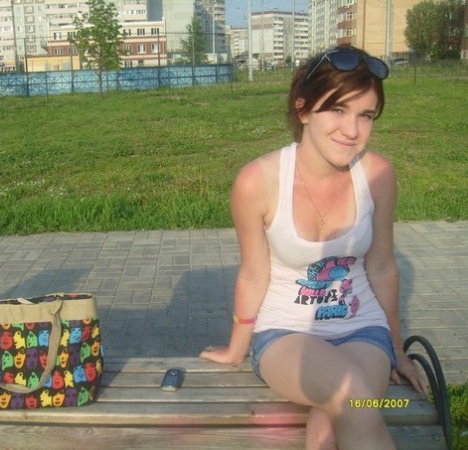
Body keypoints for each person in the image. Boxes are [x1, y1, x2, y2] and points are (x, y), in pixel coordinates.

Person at [199, 45, 427, 450]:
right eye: (337, 109)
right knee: (350, 394)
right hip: (286, 333)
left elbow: (382, 268)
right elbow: (254, 273)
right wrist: (237, 348)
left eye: (365, 115)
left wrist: (397, 350)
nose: (352, 130)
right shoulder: (258, 181)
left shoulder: (378, 175)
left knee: (336, 417)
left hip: (364, 331)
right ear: (303, 110)